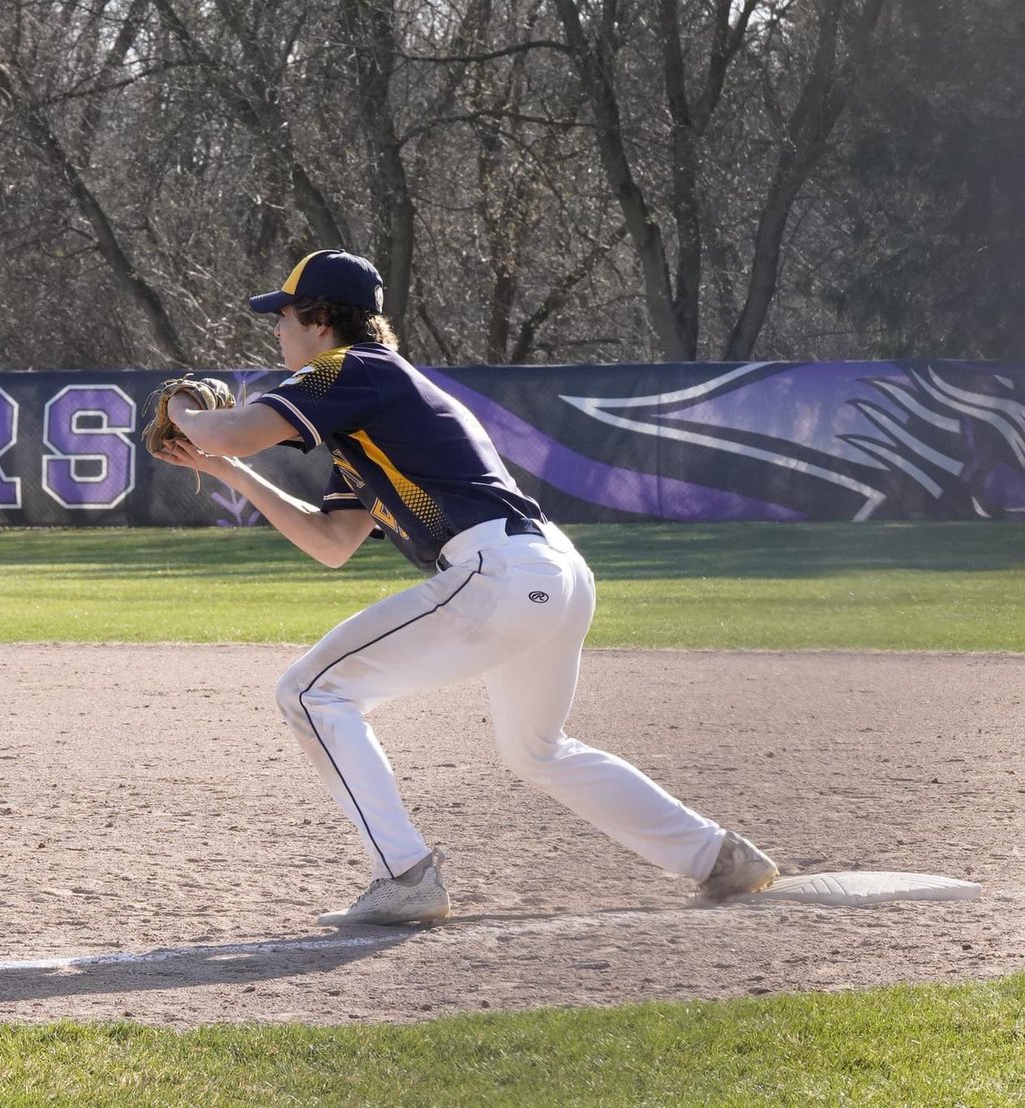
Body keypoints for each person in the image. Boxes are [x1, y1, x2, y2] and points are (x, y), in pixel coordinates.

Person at [153, 248, 779, 926]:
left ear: (323, 321)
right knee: (536, 749)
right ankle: (718, 858)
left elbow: (233, 430)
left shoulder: (353, 368)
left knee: (310, 692)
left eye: (285, 316)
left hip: (500, 572)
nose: (277, 331)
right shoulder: (370, 411)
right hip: (550, 572)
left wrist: (186, 406)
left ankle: (404, 875)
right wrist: (229, 474)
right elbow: (329, 543)